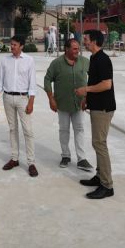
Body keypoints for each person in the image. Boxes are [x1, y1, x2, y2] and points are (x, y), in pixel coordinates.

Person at [75, 29, 116, 200]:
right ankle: (99, 177)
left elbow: (106, 84)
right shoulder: (94, 58)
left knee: (99, 143)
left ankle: (107, 185)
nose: (83, 42)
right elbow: (94, 81)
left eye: (85, 39)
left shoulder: (103, 59)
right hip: (96, 106)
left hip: (103, 108)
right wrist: (86, 98)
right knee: (98, 143)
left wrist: (85, 89)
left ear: (93, 41)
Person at [0, 35, 39, 177]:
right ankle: (14, 158)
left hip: (23, 98)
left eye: (15, 45)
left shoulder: (29, 60)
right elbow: (0, 81)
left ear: (21, 46)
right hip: (7, 98)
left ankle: (31, 163)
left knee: (28, 130)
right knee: (12, 129)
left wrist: (31, 102)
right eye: (11, 44)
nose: (12, 47)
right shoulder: (5, 60)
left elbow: (32, 83)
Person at [44, 38, 93, 172]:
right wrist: (51, 99)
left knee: (79, 129)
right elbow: (47, 79)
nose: (78, 51)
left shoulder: (84, 62)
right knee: (64, 130)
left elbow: (93, 78)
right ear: (66, 49)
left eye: (78, 48)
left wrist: (87, 97)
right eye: (75, 49)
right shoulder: (56, 63)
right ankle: (65, 155)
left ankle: (81, 159)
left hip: (79, 103)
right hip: (62, 103)